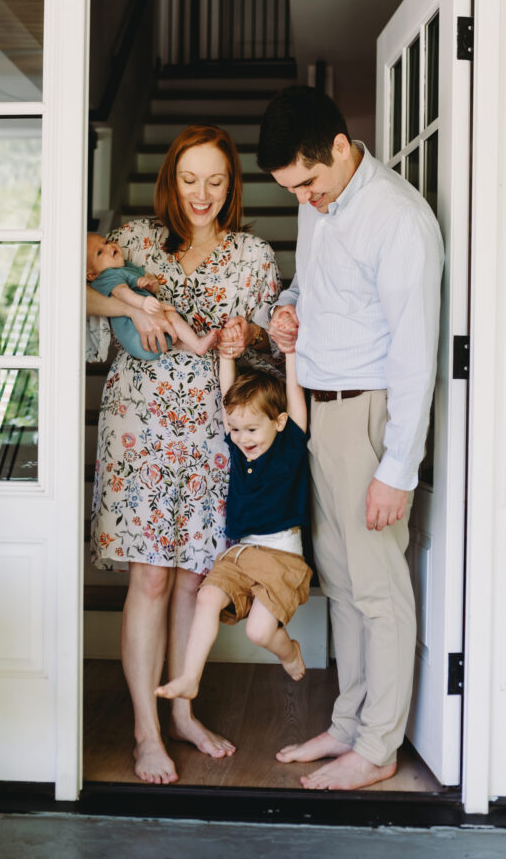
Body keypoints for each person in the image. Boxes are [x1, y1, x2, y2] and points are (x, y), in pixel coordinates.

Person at [257, 86, 443, 791]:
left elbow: (415, 352)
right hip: (318, 415)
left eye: (308, 183)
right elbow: (312, 285)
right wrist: (283, 309)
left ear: (341, 147)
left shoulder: (397, 219)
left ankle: (379, 746)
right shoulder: (321, 203)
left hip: (369, 415)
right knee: (339, 580)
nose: (304, 199)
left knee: (378, 587)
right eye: (291, 190)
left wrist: (397, 467)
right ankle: (346, 725)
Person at [87, 124, 281, 785]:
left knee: (196, 580)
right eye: (190, 179)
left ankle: (182, 712)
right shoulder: (134, 240)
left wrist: (247, 331)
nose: (202, 194)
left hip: (209, 429)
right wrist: (122, 299)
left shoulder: (252, 254)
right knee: (151, 577)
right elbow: (76, 298)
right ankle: (147, 729)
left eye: (216, 180)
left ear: (232, 185)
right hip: (138, 429)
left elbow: (272, 351)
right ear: (171, 180)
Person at [155, 351, 312, 701]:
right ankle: (190, 678)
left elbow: (296, 397)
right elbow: (227, 397)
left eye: (252, 429)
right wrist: (226, 357)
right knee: (207, 596)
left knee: (259, 632)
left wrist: (290, 353)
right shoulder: (240, 450)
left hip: (281, 557)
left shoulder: (290, 447)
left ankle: (290, 652)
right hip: (241, 553)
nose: (242, 438)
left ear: (280, 421)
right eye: (237, 430)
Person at [86, 232, 218, 359]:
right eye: (99, 252)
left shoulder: (127, 266)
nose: (108, 247)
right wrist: (142, 303)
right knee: (171, 315)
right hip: (138, 335)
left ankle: (185, 345)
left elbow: (154, 285)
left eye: (106, 242)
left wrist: (149, 284)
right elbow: (121, 292)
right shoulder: (107, 276)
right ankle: (197, 344)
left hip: (150, 336)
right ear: (92, 275)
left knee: (167, 320)